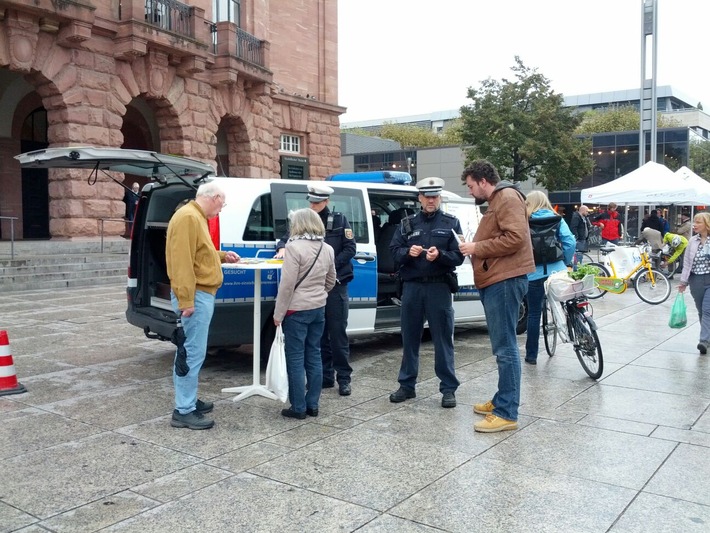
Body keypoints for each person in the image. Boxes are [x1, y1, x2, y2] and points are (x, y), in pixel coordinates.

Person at [459, 161, 534, 432]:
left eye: (470, 186)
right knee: (503, 346)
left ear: (482, 181)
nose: (469, 192)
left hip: (505, 281)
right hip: (499, 279)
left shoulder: (506, 197)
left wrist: (477, 246)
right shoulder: (500, 199)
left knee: (505, 348)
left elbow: (516, 238)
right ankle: (502, 399)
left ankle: (507, 412)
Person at [166, 182, 240, 430]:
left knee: (193, 350)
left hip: (198, 294)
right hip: (195, 295)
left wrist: (220, 255)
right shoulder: (188, 217)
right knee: (191, 352)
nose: (222, 209)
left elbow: (198, 252)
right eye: (223, 203)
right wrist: (186, 300)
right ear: (215, 197)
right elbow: (181, 262)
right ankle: (183, 410)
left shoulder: (193, 216)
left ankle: (188, 400)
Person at [388, 177, 464, 408]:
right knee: (409, 338)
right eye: (427, 196)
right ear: (419, 198)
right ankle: (407, 385)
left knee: (442, 340)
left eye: (435, 196)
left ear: (439, 198)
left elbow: (459, 255)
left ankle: (448, 389)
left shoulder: (452, 222)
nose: (431, 200)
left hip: (439, 287)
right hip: (412, 287)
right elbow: (393, 251)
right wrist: (407, 252)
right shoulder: (407, 224)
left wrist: (440, 255)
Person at [275, 184, 356, 396]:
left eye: (317, 202)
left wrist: (328, 267)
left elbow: (350, 248)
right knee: (319, 338)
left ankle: (344, 378)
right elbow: (286, 238)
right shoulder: (303, 220)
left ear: (326, 201)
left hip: (335, 285)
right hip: (315, 290)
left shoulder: (339, 221)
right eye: (310, 201)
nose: (313, 205)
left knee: (337, 335)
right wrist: (282, 247)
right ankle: (325, 377)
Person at [273, 208, 336, 418]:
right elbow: (330, 280)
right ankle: (313, 405)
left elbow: (287, 285)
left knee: (296, 358)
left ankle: (298, 408)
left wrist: (278, 313)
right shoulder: (327, 248)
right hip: (318, 308)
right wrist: (317, 295)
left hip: (296, 310)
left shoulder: (293, 247)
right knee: (314, 355)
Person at [524, 191, 576, 365]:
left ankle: (531, 356)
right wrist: (565, 261)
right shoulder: (557, 219)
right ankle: (578, 329)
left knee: (533, 314)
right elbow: (570, 242)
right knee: (569, 302)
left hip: (533, 274)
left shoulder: (524, 220)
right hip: (557, 272)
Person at [678, 212, 710, 355]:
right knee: (701, 310)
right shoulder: (692, 241)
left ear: (707, 224)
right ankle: (708, 335)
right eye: (694, 222)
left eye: (698, 222)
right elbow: (687, 263)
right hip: (696, 279)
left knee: (707, 310)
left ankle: (703, 340)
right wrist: (683, 281)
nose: (695, 225)